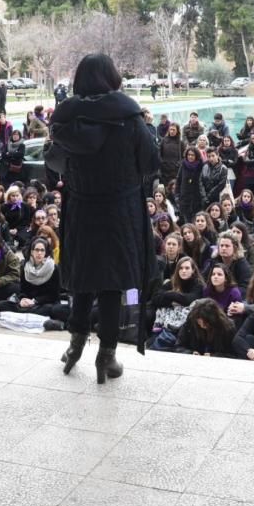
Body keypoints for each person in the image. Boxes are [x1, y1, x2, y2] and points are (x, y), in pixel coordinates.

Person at [47, 54, 159, 384]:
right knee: (112, 282)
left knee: (83, 276)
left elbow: (55, 162)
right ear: (112, 77)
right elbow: (151, 163)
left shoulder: (65, 118)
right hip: (120, 211)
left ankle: (75, 345)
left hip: (81, 208)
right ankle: (106, 357)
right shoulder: (129, 116)